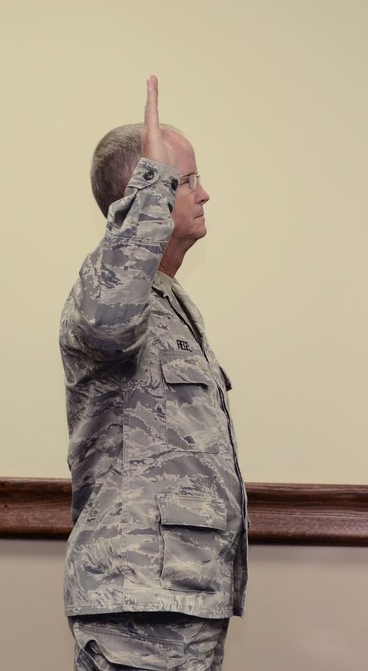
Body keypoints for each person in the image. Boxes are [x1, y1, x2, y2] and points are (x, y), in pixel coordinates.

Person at [59, 77, 248, 671]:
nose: (204, 193)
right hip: (137, 600)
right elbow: (109, 324)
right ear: (144, 190)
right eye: (187, 180)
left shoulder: (169, 300)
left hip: (180, 599)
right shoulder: (107, 293)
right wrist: (153, 187)